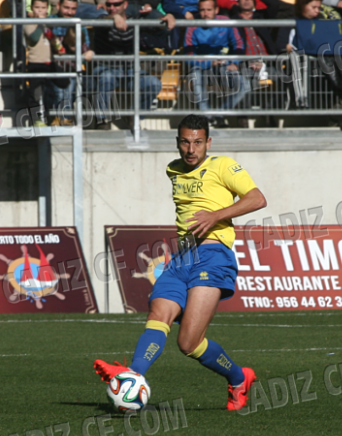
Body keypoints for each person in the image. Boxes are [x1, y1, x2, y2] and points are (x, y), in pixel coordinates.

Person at [94, 114, 267, 412]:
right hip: (181, 258)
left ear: (208, 142)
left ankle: (239, 378)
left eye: (198, 142)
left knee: (188, 343)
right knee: (158, 313)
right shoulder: (173, 169)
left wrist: (216, 215)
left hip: (213, 257)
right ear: (177, 143)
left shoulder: (223, 166)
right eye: (185, 142)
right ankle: (132, 375)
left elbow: (257, 199)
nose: (191, 149)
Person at [92, 0, 175, 129]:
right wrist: (114, 17)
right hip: (107, 68)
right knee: (106, 78)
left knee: (154, 84)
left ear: (125, 5)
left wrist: (168, 17)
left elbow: (159, 27)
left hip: (130, 70)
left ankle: (134, 116)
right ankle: (102, 119)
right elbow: (104, 19)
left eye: (117, 4)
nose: (112, 7)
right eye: (109, 4)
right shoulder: (101, 18)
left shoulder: (135, 19)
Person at [185, 0, 248, 129]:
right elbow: (189, 56)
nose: (205, 13)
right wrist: (208, 63)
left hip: (224, 65)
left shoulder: (226, 22)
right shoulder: (192, 26)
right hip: (201, 66)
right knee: (196, 78)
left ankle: (219, 114)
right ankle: (206, 117)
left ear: (216, 10)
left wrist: (233, 62)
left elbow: (239, 44)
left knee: (244, 85)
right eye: (202, 10)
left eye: (209, 10)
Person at [23, 0, 70, 126]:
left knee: (62, 83)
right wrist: (41, 25)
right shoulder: (29, 23)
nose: (40, 11)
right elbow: (33, 38)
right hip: (35, 64)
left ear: (47, 9)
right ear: (32, 8)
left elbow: (54, 40)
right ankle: (36, 119)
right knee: (35, 94)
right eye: (37, 8)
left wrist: (58, 47)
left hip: (50, 63)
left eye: (43, 8)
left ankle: (55, 117)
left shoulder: (49, 24)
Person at [48, 0, 94, 125]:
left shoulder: (80, 26)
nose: (69, 12)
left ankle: (65, 119)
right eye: (66, 8)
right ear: (58, 5)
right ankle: (57, 118)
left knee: (69, 88)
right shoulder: (49, 22)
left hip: (72, 69)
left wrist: (88, 54)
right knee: (59, 93)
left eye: (73, 9)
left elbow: (85, 50)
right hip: (53, 69)